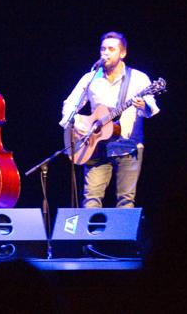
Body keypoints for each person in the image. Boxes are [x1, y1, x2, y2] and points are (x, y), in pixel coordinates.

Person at [60, 31, 159, 208]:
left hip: (128, 147)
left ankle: (121, 236)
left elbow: (152, 109)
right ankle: (88, 236)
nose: (105, 53)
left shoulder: (138, 78)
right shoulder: (91, 78)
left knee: (126, 200)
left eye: (111, 49)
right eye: (103, 49)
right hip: (95, 147)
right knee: (91, 198)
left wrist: (143, 106)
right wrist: (75, 123)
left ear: (122, 53)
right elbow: (70, 104)